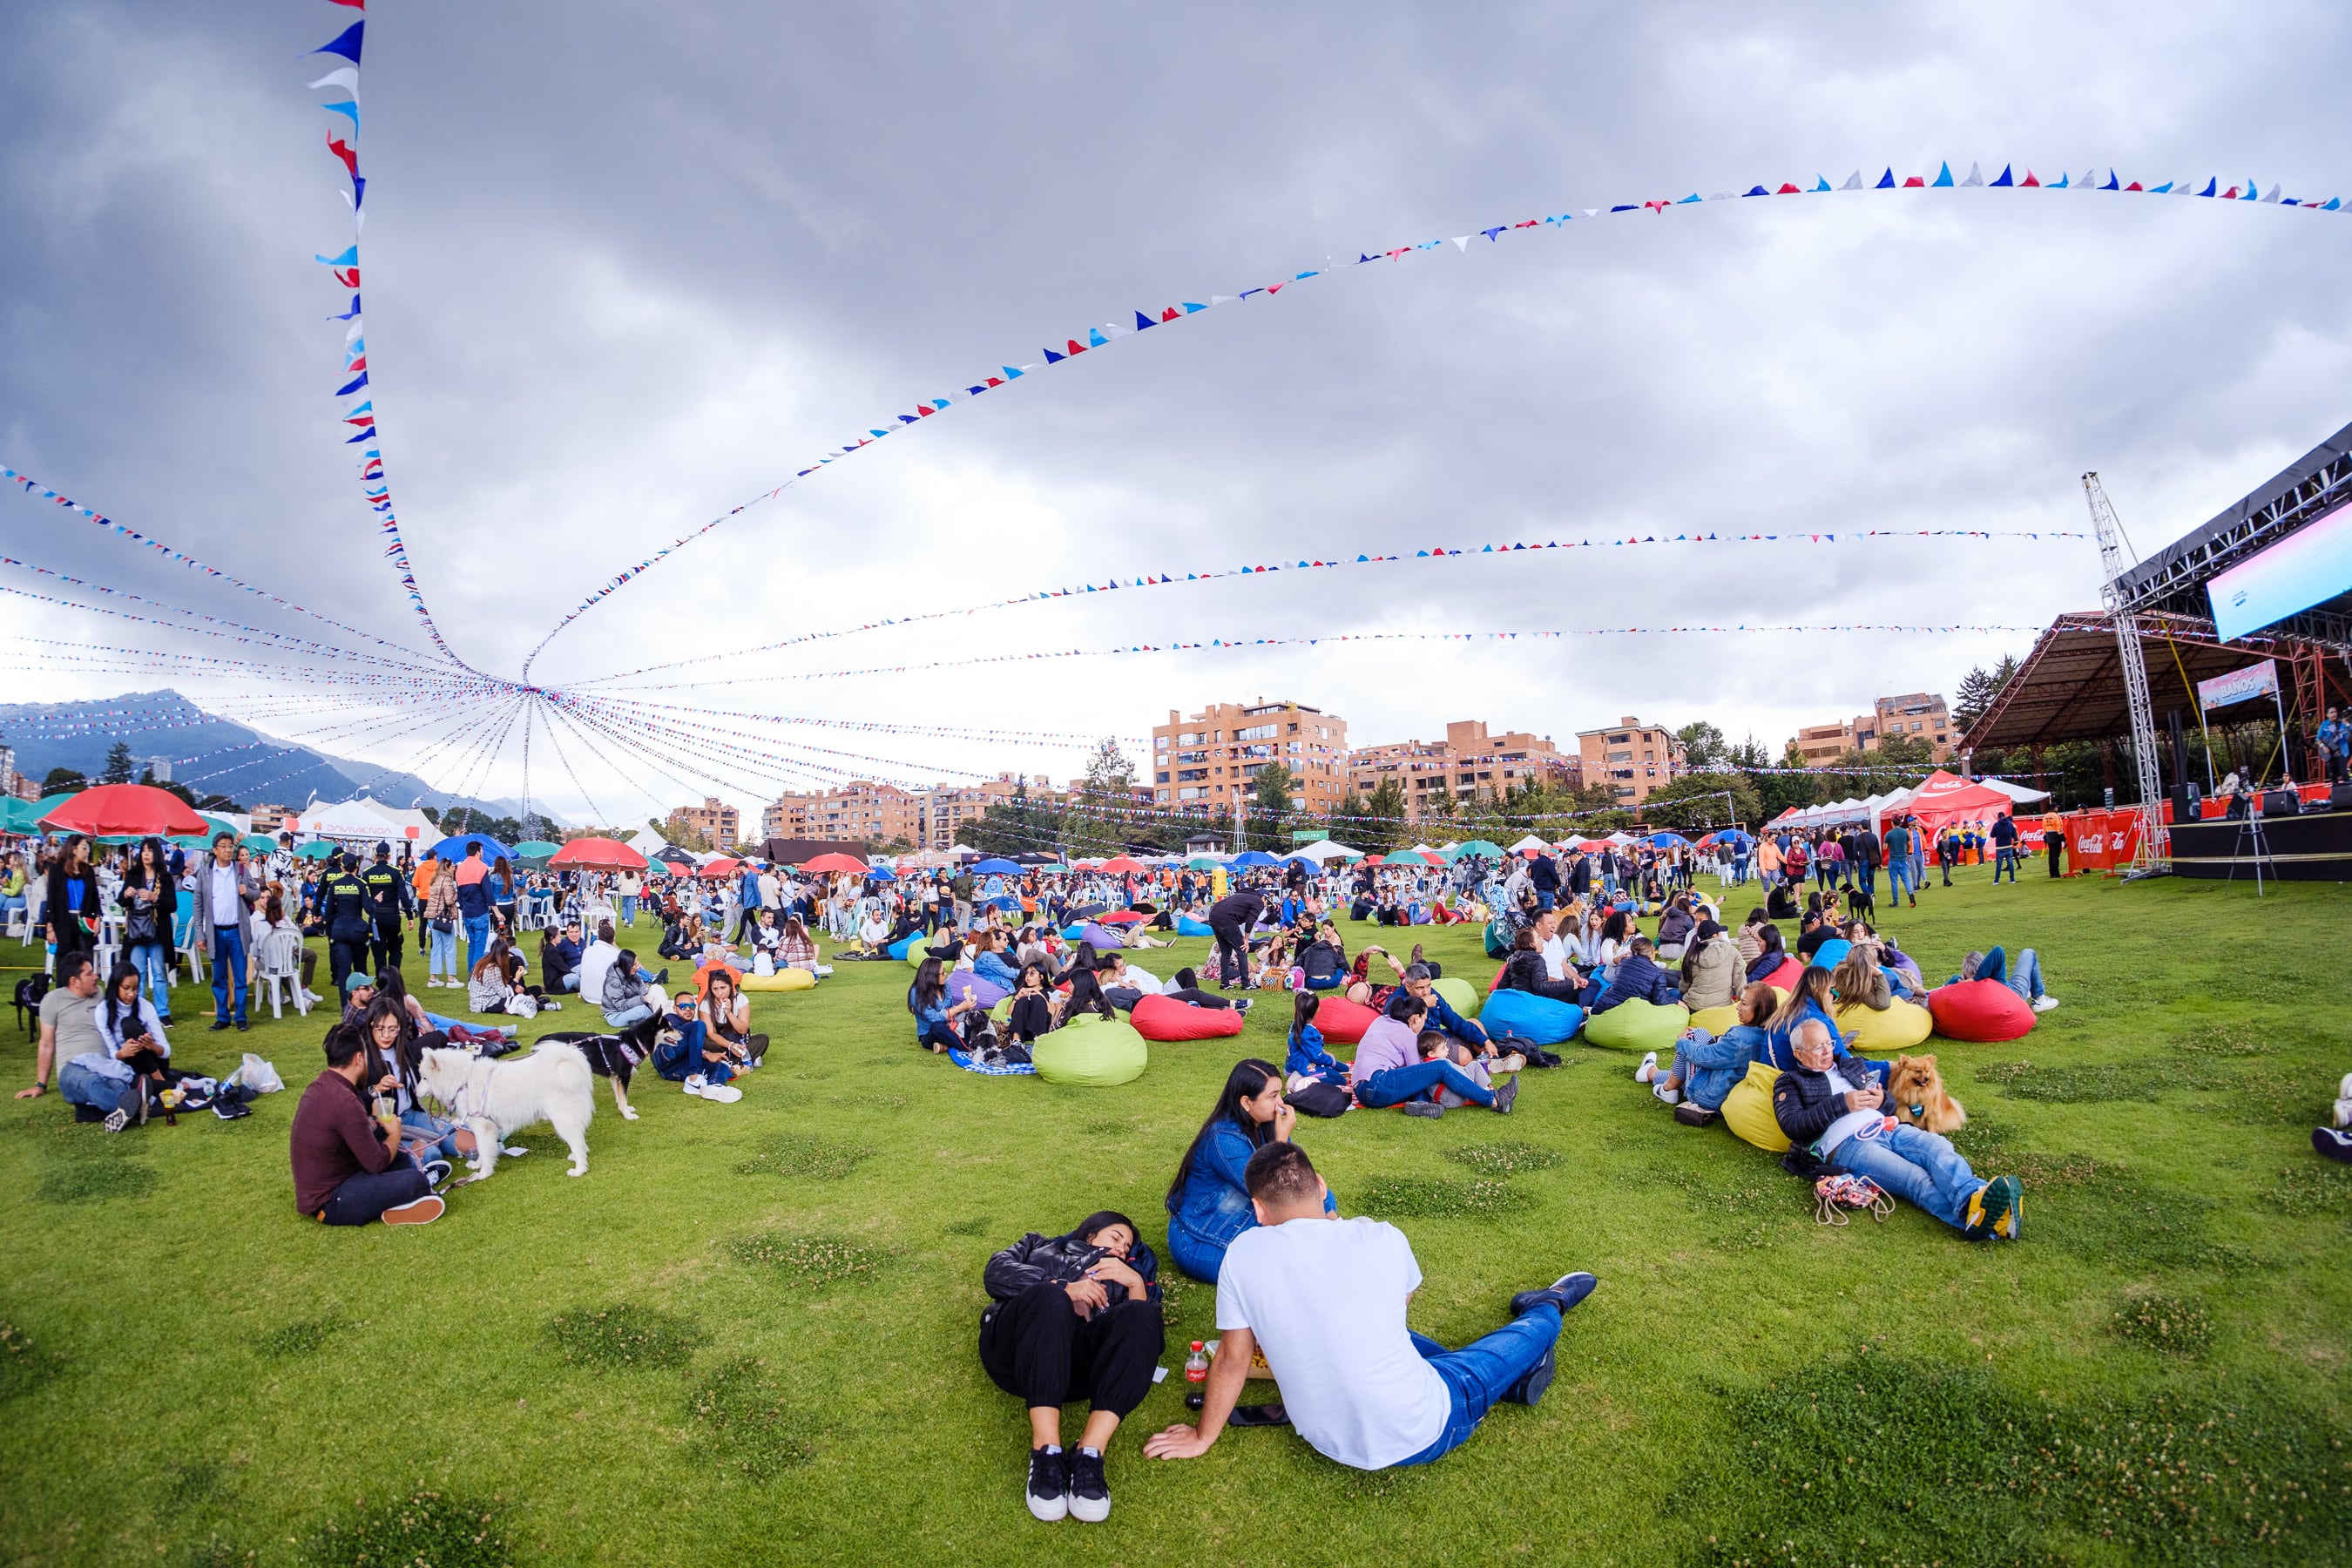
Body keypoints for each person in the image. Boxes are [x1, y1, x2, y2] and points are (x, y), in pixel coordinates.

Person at [1144, 1141, 1595, 1470]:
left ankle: (1516, 1381)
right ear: (1321, 1186)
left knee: (1365, 1329)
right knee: (1507, 1345)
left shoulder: (1242, 1253)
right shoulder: (1380, 1235)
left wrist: (1204, 1437)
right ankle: (1550, 1305)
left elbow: (1231, 1358)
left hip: (1325, 1440)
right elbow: (1399, 1303)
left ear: (1259, 1210)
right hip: (1428, 1426)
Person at [981, 1212, 1165, 1523]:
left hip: (1075, 1369)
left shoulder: (1125, 1276)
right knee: (1050, 1297)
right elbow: (996, 1274)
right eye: (1115, 1238)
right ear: (1092, 1235)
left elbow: (1146, 1343)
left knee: (1143, 1316)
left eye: (1127, 1247)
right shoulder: (1038, 1245)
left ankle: (1089, 1454)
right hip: (1014, 1354)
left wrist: (1134, 1282)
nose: (1121, 1249)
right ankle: (1046, 1451)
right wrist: (1064, 1287)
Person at [1772, 1018, 2019, 1240]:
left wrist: (1882, 1101)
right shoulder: (1790, 1081)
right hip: (1849, 1145)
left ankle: (1972, 1197)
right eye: (1818, 1047)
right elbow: (1793, 1126)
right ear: (1799, 1054)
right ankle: (1983, 1220)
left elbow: (1890, 1104)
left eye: (1829, 1042)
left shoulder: (1852, 1066)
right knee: (1915, 1178)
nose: (1827, 1051)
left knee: (1938, 1146)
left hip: (1888, 1127)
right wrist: (1842, 1103)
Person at [1166, 1058, 1335, 1281]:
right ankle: (1330, 1239)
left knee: (1318, 1193)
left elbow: (1298, 1182)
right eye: (1273, 1096)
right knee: (1290, 1263)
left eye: (1279, 1094)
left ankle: (1336, 1231)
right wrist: (1282, 1140)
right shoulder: (1223, 1139)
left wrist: (1330, 1219)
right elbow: (1277, 1190)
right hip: (1201, 1241)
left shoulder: (1264, 1123)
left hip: (1243, 1217)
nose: (1280, 1103)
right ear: (1246, 1102)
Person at [289, 1023, 446, 1226]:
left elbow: (353, 1139)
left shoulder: (322, 1085)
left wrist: (374, 1123)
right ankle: (410, 1197)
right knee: (415, 1181)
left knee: (401, 1160)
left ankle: (402, 1195)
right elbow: (377, 1163)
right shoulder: (345, 1101)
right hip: (331, 1200)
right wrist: (394, 1133)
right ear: (359, 1058)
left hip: (341, 1174)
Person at [1353, 992, 1517, 1118]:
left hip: (1364, 1089)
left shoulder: (1381, 1021)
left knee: (1427, 1074)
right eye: (1424, 1019)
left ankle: (1420, 1103)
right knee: (1440, 1067)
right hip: (1378, 1084)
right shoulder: (1406, 1034)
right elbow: (1418, 1069)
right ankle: (1494, 1100)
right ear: (1416, 1018)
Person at [1637, 980, 1774, 1109]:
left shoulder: (1739, 1038)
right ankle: (1651, 1072)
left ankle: (1667, 1089)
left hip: (1709, 1097)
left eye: (1744, 1004)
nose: (1738, 1007)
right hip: (1725, 1085)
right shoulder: (1767, 1035)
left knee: (1693, 1037)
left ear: (1760, 1009)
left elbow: (1704, 1057)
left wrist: (1682, 1042)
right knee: (1699, 1037)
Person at [17, 950, 104, 1105]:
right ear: (74, 981)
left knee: (117, 1082)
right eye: (89, 974)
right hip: (73, 1068)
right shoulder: (53, 1000)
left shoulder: (99, 995)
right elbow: (46, 1043)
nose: (96, 976)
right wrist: (40, 1085)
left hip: (102, 1064)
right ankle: (133, 1107)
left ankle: (124, 1107)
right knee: (91, 1082)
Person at [195, 830, 260, 1031]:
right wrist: (200, 933)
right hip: (215, 931)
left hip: (236, 931)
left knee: (240, 977)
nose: (228, 850)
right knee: (219, 977)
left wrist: (246, 892)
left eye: (230, 846)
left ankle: (240, 1017)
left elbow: (256, 892)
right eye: (223, 846)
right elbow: (198, 904)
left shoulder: (240, 870)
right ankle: (223, 1016)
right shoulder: (206, 873)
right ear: (215, 850)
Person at [118, 836, 179, 1024]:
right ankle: (139, 1012)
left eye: (150, 850)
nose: (146, 854)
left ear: (157, 853)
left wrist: (155, 898)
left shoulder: (165, 877)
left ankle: (162, 1012)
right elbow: (121, 901)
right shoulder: (133, 874)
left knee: (159, 972)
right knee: (138, 974)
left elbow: (172, 905)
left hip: (158, 932)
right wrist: (127, 895)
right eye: (143, 850)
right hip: (137, 932)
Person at [319, 850, 375, 1007]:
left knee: (344, 971)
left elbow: (328, 911)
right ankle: (363, 1003)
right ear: (357, 868)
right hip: (357, 930)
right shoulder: (361, 884)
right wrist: (375, 902)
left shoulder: (335, 885)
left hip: (340, 930)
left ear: (342, 868)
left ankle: (346, 1006)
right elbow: (369, 909)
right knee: (360, 968)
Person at [43, 833, 104, 966]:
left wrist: (98, 917)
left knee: (85, 963)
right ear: (74, 849)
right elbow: (51, 900)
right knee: (65, 964)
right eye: (84, 848)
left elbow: (95, 897)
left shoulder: (88, 872)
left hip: (84, 922)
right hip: (64, 922)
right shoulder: (56, 871)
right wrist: (50, 928)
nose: (87, 851)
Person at [1586, 935, 1679, 1013]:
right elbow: (1660, 1001)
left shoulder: (1623, 963)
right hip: (1633, 1013)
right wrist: (1677, 1002)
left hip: (1606, 1007)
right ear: (1651, 954)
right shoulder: (1657, 973)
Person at [909, 956, 980, 1054]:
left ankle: (946, 1046)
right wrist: (959, 1008)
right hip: (930, 1033)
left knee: (975, 1017)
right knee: (937, 1026)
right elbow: (934, 1018)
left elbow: (951, 1008)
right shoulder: (916, 992)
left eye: (944, 971)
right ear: (931, 976)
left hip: (952, 1027)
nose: (945, 975)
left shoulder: (945, 985)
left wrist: (965, 1008)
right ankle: (967, 1047)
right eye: (942, 973)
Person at [1957, 946, 2059, 1012]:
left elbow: (1950, 984)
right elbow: (1998, 951)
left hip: (2008, 991)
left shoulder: (1962, 985)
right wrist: (1976, 978)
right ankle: (2039, 999)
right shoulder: (1994, 977)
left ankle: (2030, 992)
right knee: (2028, 953)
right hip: (2015, 993)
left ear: (1965, 975)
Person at [1206, 882, 1267, 990]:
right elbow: (1250, 921)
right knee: (1242, 950)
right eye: (1267, 902)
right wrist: (1246, 939)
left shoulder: (1242, 896)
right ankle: (1245, 984)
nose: (1266, 905)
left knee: (1226, 951)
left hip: (1214, 915)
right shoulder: (1258, 902)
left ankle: (1224, 983)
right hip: (1227, 919)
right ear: (1264, 898)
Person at [361, 841, 409, 977]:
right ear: (389, 856)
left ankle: (382, 982)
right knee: (395, 950)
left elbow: (363, 896)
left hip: (376, 917)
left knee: (379, 953)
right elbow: (404, 895)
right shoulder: (395, 872)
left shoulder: (367, 873)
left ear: (376, 856)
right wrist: (410, 916)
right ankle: (393, 981)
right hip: (392, 916)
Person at [1675, 919, 1742, 1012]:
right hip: (1723, 1005)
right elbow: (1740, 980)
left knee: (1672, 993)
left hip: (1694, 1006)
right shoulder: (1732, 951)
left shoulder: (1692, 954)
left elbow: (1683, 987)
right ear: (1716, 935)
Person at [1284, 992, 1348, 1088]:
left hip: (1295, 1062)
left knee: (1345, 1068)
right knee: (1340, 1080)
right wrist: (1331, 1061)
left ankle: (1300, 1074)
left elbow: (1312, 1051)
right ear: (1316, 1010)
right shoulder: (1308, 1033)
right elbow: (1317, 1057)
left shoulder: (1296, 1024)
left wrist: (1328, 1056)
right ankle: (1300, 1080)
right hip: (1306, 1066)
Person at [454, 841, 495, 976]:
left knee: (472, 945)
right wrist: (497, 911)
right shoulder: (482, 867)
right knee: (479, 946)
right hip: (480, 911)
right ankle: (476, 976)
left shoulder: (459, 868)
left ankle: (471, 976)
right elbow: (488, 893)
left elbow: (459, 893)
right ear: (478, 851)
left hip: (467, 913)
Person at [2321, 706, 2351, 787]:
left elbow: (2347, 738)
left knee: (2344, 773)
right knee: (2333, 775)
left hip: (2342, 751)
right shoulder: (2324, 725)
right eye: (2331, 712)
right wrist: (2323, 746)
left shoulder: (2342, 724)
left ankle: (2348, 793)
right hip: (2330, 754)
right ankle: (2336, 793)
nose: (2334, 714)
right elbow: (2318, 739)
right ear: (2327, 715)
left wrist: (2348, 725)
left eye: (2335, 712)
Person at [1990, 811, 2018, 884]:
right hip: (2008, 846)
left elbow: (1992, 835)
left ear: (1998, 817)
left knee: (1999, 865)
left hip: (1999, 847)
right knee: (2010, 863)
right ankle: (2012, 879)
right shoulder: (2009, 824)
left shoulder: (1996, 825)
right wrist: (2015, 840)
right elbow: (2014, 833)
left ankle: (1996, 881)